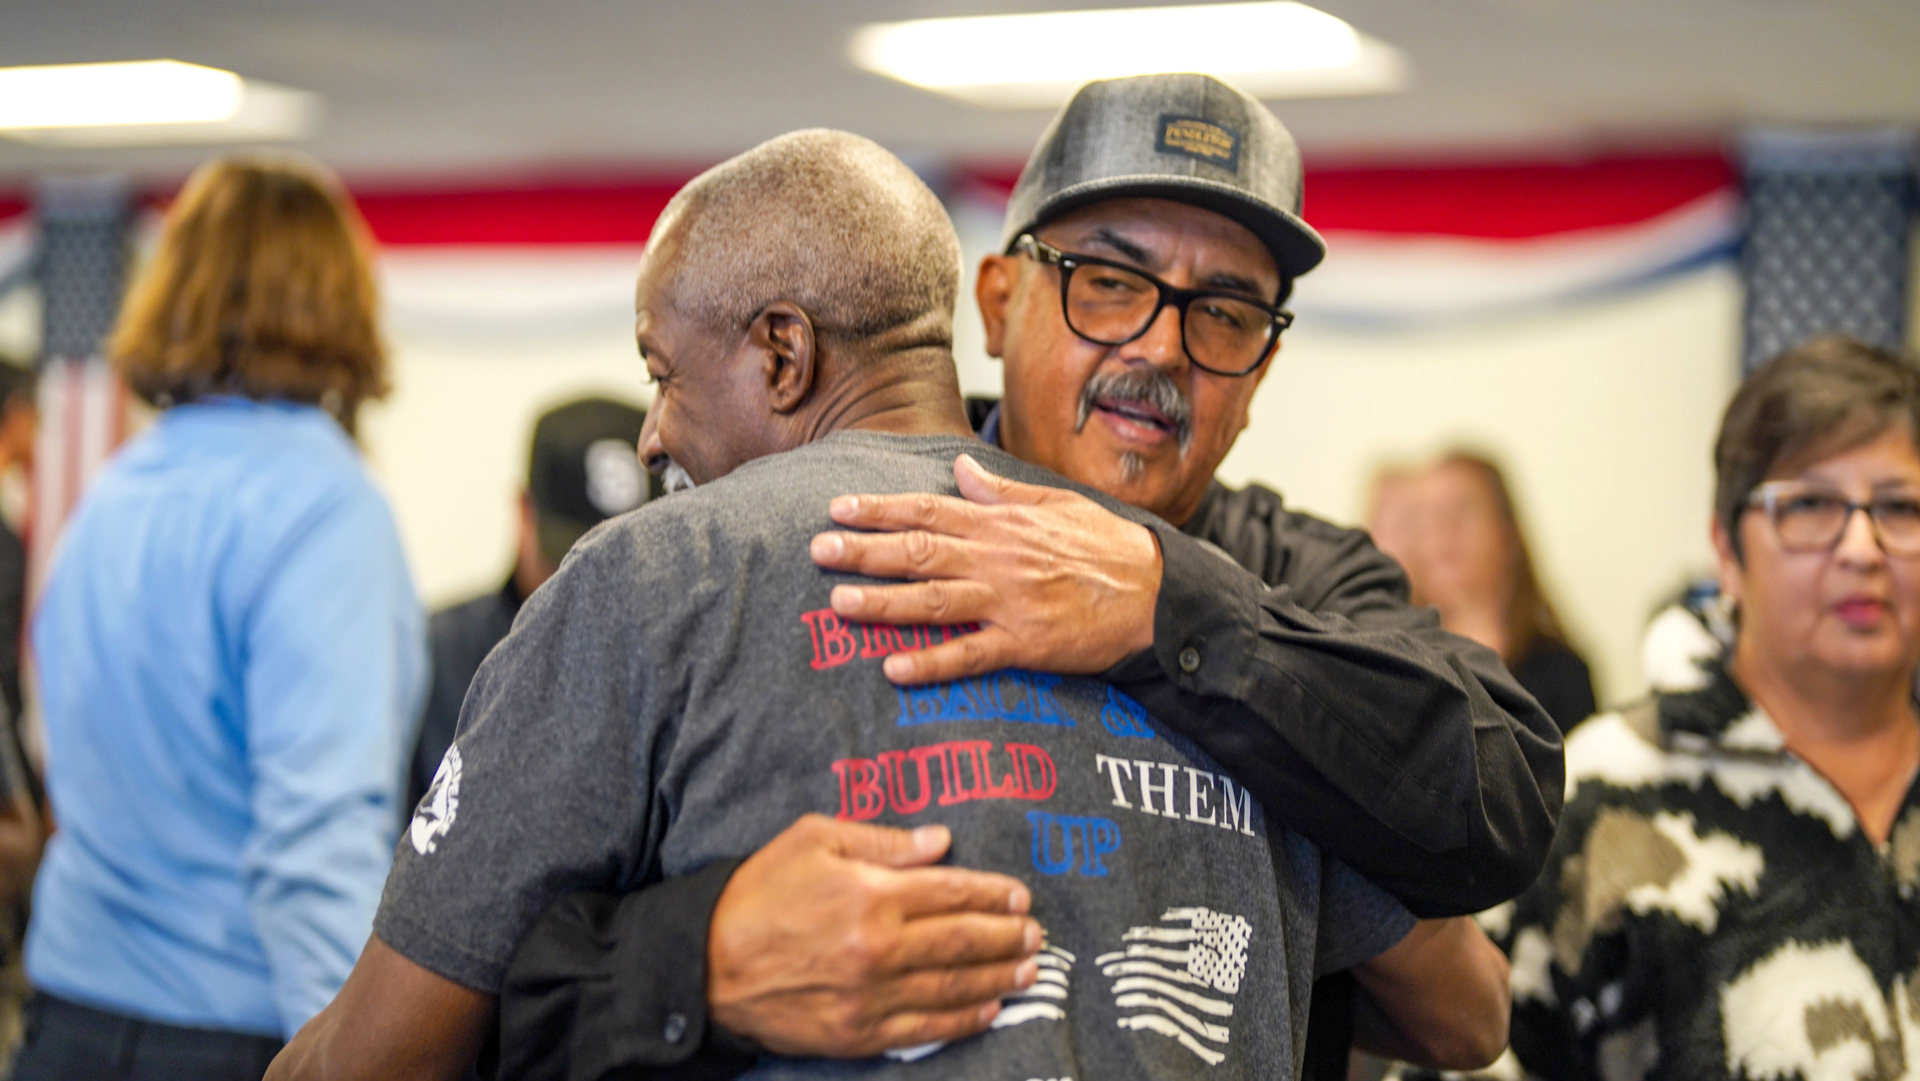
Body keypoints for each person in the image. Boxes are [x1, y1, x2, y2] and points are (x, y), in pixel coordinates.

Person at [268, 128, 1511, 1081]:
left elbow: (379, 1056)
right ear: (991, 302)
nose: (652, 430)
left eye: (662, 372)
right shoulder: (1206, 610)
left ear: (784, 353)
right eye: (1114, 287)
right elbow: (1462, 1009)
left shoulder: (652, 579)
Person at [15, 155, 425, 1081]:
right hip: (231, 1033)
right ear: (341, 298)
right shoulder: (326, 509)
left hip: (66, 1025)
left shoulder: (111, 494)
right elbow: (315, 841)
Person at [1489, 335, 1920, 1080]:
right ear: (1726, 550)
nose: (1862, 547)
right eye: (1810, 505)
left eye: (1901, 507)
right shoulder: (1594, 796)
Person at [410, 396, 653, 812]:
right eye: (568, 561)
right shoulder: (435, 655)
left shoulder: (681, 659)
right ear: (524, 515)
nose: (592, 587)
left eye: (624, 564)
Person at [1367, 451, 1598, 733]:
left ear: (1506, 534)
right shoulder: (1395, 668)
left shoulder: (1563, 672)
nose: (1441, 532)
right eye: (1425, 520)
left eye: (1460, 511)